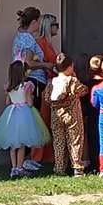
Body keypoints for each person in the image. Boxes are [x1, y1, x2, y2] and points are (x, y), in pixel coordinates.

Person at [0, 60, 50, 178]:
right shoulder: (26, 86)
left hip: (12, 113)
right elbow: (30, 103)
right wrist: (31, 97)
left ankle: (13, 168)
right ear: (23, 73)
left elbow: (7, 102)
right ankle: (19, 167)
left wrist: (13, 99)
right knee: (21, 144)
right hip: (24, 114)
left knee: (13, 145)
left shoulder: (9, 87)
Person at [44, 53, 89, 176]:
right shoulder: (72, 80)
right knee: (75, 140)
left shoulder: (51, 82)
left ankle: (59, 168)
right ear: (70, 67)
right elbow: (83, 90)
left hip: (56, 115)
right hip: (72, 114)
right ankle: (77, 168)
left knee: (58, 142)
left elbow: (47, 98)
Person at [29, 14, 59, 168]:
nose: (57, 28)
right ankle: (36, 156)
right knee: (42, 120)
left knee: (47, 121)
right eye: (55, 25)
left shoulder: (47, 43)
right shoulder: (41, 43)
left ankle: (46, 156)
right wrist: (49, 66)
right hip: (43, 83)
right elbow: (35, 63)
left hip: (49, 83)